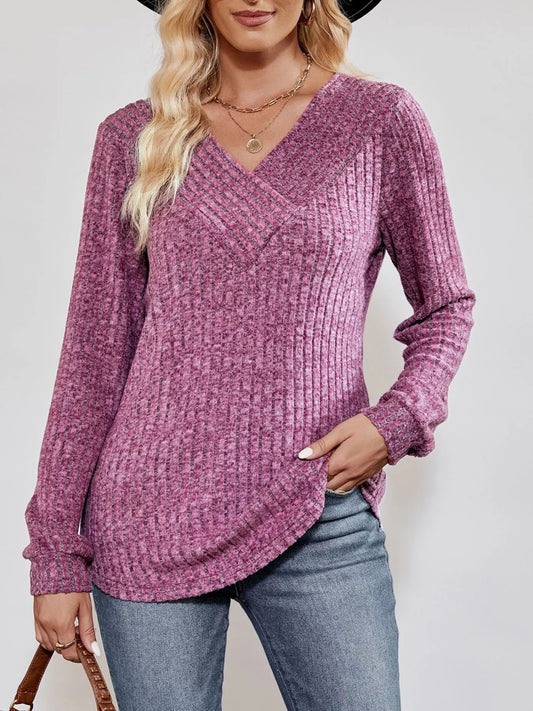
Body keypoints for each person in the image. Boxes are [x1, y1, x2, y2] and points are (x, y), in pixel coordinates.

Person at [21, 0, 476, 709]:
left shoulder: (379, 121)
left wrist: (397, 420)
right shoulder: (133, 138)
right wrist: (55, 554)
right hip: (148, 521)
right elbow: (92, 358)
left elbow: (445, 306)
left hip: (317, 510)